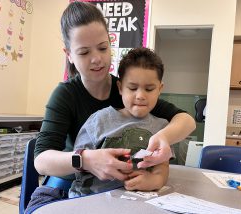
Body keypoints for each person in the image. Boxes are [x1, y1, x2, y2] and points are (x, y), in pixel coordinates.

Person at [26, 1, 195, 212]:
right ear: (68, 54)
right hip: (68, 190)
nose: (97, 59)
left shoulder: (127, 91)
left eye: (103, 48)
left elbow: (186, 120)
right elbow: (41, 160)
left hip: (118, 193)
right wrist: (85, 160)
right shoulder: (65, 95)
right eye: (84, 52)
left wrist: (164, 138)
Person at [69, 47, 171, 197]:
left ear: (160, 89)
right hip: (89, 199)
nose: (141, 95)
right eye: (132, 88)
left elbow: (162, 167)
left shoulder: (162, 128)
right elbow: (76, 165)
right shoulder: (99, 121)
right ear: (120, 87)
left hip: (135, 202)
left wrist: (155, 180)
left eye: (149, 89)